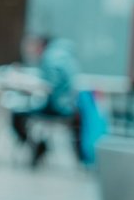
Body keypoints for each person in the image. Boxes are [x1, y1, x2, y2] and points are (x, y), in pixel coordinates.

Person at [9, 34, 82, 167]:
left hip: (55, 107)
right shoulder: (65, 55)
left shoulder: (51, 58)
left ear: (39, 45)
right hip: (68, 106)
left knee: (17, 113)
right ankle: (39, 146)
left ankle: (37, 146)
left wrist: (28, 85)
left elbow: (50, 86)